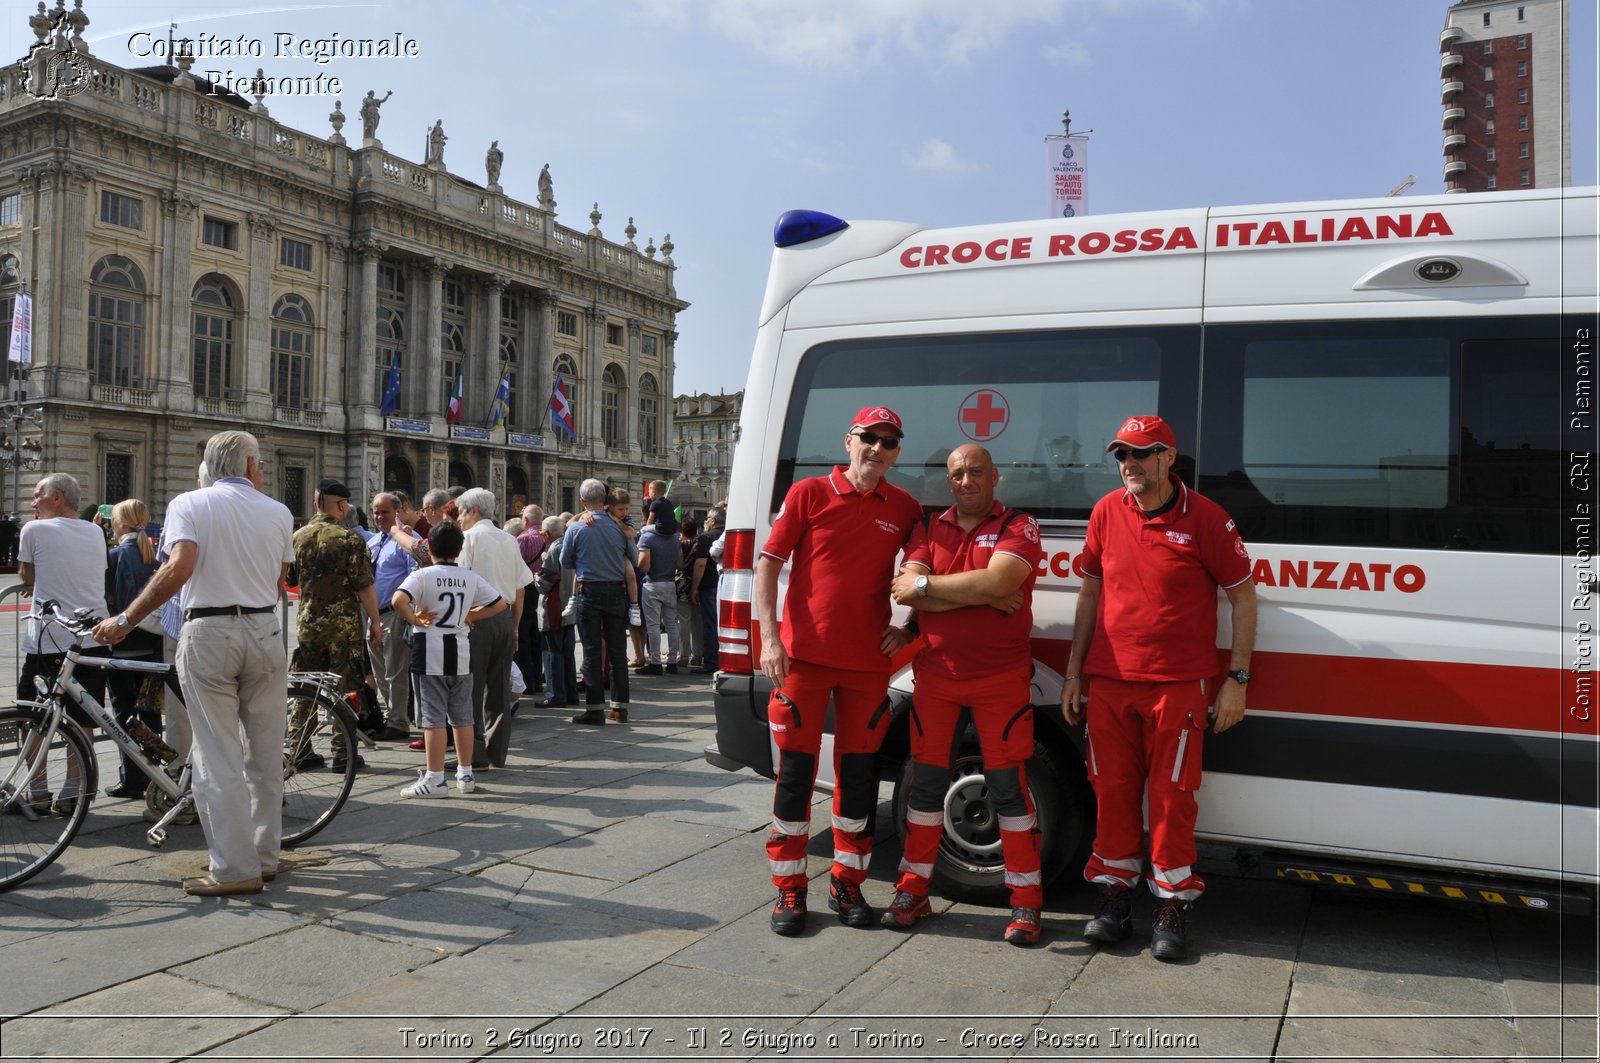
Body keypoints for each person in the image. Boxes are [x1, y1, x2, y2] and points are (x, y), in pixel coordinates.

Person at [1061, 414, 1257, 962]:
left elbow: (1243, 598)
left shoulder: (1207, 519)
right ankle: (1114, 897)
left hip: (1178, 685)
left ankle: (1171, 904)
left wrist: (1236, 680)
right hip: (1109, 681)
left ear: (1168, 458)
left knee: (1171, 799)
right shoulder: (1105, 512)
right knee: (1112, 789)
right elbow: (1088, 596)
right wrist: (1075, 673)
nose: (1130, 465)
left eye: (1142, 454)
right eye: (1122, 454)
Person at [92, 430, 295, 897]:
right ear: (247, 466)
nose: (262, 471)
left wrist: (125, 619)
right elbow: (280, 580)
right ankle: (266, 858)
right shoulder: (279, 512)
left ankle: (234, 868)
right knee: (264, 754)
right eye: (260, 464)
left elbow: (178, 568)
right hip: (264, 630)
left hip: (210, 632)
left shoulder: (191, 503)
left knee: (217, 754)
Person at [754, 405, 922, 935]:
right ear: (848, 441)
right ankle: (789, 890)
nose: (877, 448)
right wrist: (770, 638)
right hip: (801, 660)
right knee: (796, 778)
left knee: (858, 780)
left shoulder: (905, 506)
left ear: (898, 452)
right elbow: (767, 564)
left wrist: (910, 624)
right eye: (869, 437)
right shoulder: (809, 493)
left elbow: (925, 568)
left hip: (866, 666)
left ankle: (847, 883)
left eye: (889, 441)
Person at [886, 445, 1045, 944]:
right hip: (935, 677)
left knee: (1009, 792)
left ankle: (1026, 905)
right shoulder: (929, 527)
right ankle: (913, 892)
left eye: (976, 471)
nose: (966, 480)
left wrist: (936, 588)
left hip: (1000, 680)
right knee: (926, 790)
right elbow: (904, 589)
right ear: (948, 481)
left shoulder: (1021, 524)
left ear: (995, 476)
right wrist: (978, 592)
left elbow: (1002, 579)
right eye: (957, 474)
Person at [392, 521, 506, 797]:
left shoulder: (423, 575)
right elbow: (500, 604)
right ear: (459, 549)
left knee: (433, 719)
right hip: (460, 652)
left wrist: (415, 618)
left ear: (429, 547)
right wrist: (472, 615)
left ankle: (435, 778)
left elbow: (398, 600)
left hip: (430, 652)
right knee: (463, 717)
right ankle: (465, 775)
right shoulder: (470, 577)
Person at [18, 473, 110, 811]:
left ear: (56, 497)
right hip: (93, 635)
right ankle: (74, 791)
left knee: (33, 716)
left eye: (37, 495)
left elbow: (27, 576)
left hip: (49, 637)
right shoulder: (96, 531)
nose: (32, 503)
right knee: (83, 719)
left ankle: (38, 792)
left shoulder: (34, 529)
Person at [289, 479, 382, 773]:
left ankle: (299, 749)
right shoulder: (350, 540)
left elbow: (290, 580)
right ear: (342, 506)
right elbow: (364, 586)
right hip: (343, 628)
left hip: (308, 626)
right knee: (345, 688)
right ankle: (343, 754)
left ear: (316, 503)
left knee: (306, 687)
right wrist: (376, 623)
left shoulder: (298, 537)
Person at [456, 488, 531, 767]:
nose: (459, 518)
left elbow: (462, 581)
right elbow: (520, 588)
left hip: (476, 617)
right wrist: (514, 626)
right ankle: (497, 752)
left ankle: (473, 755)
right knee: (499, 688)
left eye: (461, 512)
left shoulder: (469, 538)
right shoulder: (509, 539)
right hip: (504, 616)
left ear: (473, 510)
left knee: (472, 687)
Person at [103, 498, 171, 799]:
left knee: (123, 713)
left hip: (123, 646)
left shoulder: (116, 555)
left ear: (119, 524)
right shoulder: (154, 556)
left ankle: (132, 779)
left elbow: (110, 598)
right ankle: (156, 777)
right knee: (151, 714)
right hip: (152, 647)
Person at [562, 478, 639, 725]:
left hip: (589, 591)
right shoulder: (620, 526)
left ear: (582, 501)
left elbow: (565, 562)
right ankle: (620, 708)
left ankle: (595, 709)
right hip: (617, 591)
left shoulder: (576, 528)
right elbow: (635, 558)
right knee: (617, 652)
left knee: (592, 652)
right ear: (606, 502)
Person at [366, 491, 417, 742]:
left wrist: (409, 613)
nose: (379, 516)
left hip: (395, 614)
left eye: (384, 512)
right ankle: (392, 716)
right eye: (376, 511)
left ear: (397, 512)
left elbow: (416, 576)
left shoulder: (407, 538)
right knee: (380, 671)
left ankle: (398, 722)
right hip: (373, 615)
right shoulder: (374, 541)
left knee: (395, 671)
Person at [534, 514, 579, 708]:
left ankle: (555, 694)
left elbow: (545, 582)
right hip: (569, 604)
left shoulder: (555, 549)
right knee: (567, 652)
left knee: (552, 651)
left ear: (546, 533)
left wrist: (535, 576)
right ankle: (570, 693)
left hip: (555, 605)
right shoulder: (570, 544)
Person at [635, 511, 680, 675]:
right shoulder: (675, 539)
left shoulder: (647, 538)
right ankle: (673, 661)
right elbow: (680, 562)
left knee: (653, 625)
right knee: (671, 624)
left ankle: (655, 662)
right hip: (670, 583)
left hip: (653, 583)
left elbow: (643, 565)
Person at [688, 509, 721, 675]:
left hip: (709, 585)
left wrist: (694, 587)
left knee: (710, 624)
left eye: (707, 518)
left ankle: (711, 662)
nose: (705, 521)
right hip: (727, 584)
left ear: (713, 521)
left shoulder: (706, 537)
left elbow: (700, 565)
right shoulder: (729, 534)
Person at [675, 517, 702, 668]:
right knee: (697, 621)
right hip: (697, 584)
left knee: (683, 621)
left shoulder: (679, 544)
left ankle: (684, 654)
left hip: (682, 585)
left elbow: (678, 565)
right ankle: (698, 655)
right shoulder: (700, 543)